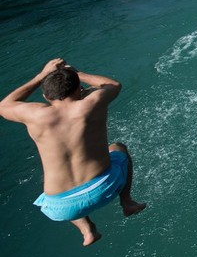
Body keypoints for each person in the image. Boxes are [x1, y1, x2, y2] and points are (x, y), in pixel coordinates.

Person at [0, 59, 146, 246]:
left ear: (45, 96)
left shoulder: (34, 115)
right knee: (118, 148)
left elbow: (4, 106)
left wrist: (40, 76)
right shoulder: (91, 103)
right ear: (79, 89)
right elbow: (112, 85)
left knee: (59, 187)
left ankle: (87, 230)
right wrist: (78, 73)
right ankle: (127, 202)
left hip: (60, 208)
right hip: (105, 188)